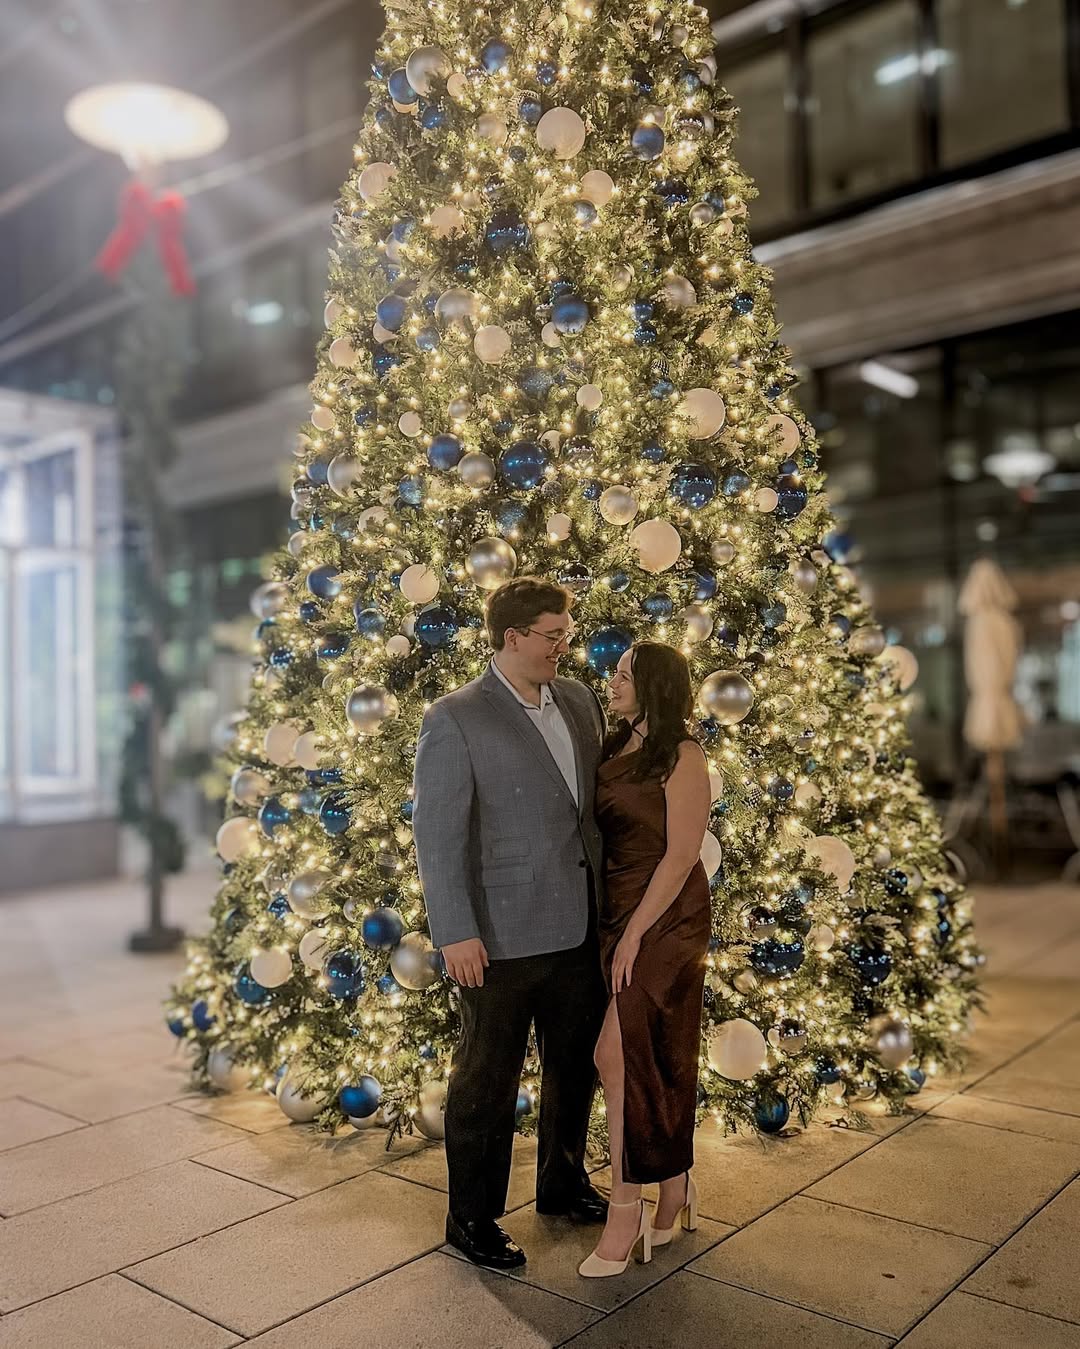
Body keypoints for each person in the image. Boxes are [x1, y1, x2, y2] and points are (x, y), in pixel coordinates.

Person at [413, 577, 609, 1271]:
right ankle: (471, 1217)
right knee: (486, 1082)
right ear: (512, 637)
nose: (564, 645)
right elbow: (436, 835)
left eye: (566, 633)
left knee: (573, 1067)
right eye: (552, 635)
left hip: (580, 926)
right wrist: (454, 930)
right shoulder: (455, 716)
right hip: (496, 935)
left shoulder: (582, 701)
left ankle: (562, 1181)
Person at [578, 641, 712, 1279]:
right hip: (615, 915)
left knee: (617, 1052)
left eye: (626, 676)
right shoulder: (610, 748)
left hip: (666, 918)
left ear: (654, 686)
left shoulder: (684, 755)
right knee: (648, 1052)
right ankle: (678, 1184)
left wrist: (634, 935)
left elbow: (682, 853)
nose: (613, 681)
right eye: (615, 673)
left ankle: (625, 1206)